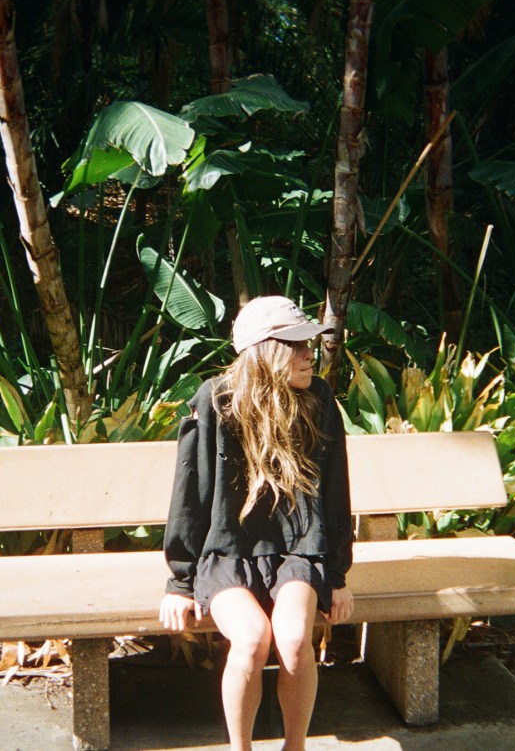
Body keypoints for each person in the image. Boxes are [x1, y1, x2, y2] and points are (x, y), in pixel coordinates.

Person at [159, 295, 355, 751]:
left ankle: (295, 746)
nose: (310, 354)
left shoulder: (319, 398)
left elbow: (335, 492)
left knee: (292, 640)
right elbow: (190, 493)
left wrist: (339, 575)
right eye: (297, 345)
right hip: (227, 553)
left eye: (309, 343)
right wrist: (180, 582)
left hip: (298, 552)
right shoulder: (215, 400)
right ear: (266, 351)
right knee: (251, 641)